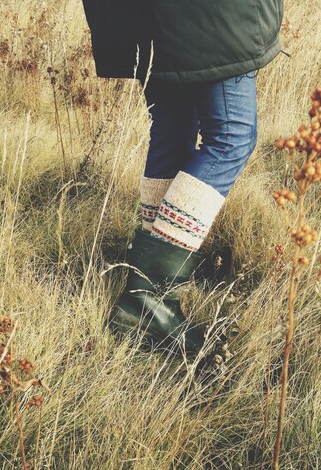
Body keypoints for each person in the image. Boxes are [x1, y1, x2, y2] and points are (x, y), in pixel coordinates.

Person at [81, 0, 284, 356]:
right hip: (212, 16)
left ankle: (145, 271)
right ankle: (149, 297)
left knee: (173, 128)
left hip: (145, 14)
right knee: (231, 137)